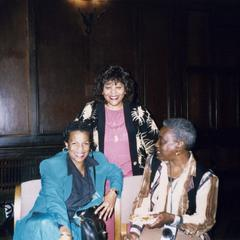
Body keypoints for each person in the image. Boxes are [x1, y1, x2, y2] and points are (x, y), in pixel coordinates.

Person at [74, 65, 159, 239]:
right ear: (102, 90)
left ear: (126, 89)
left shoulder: (138, 111)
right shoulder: (92, 110)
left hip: (132, 179)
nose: (113, 92)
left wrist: (153, 179)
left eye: (118, 87)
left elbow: (155, 144)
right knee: (105, 228)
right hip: (100, 180)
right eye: (108, 87)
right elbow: (74, 140)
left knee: (131, 228)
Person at [13, 121, 123, 240]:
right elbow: (55, 201)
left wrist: (113, 192)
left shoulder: (98, 160)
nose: (80, 149)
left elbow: (116, 172)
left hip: (77, 225)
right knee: (48, 226)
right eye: (74, 143)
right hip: (47, 223)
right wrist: (64, 230)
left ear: (90, 144)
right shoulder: (52, 166)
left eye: (85, 143)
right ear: (67, 144)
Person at [126, 118, 219, 240]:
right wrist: (135, 232)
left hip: (188, 232)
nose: (156, 144)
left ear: (179, 145)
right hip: (154, 230)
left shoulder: (205, 178)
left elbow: (205, 220)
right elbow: (143, 199)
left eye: (162, 141)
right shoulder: (153, 163)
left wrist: (172, 219)